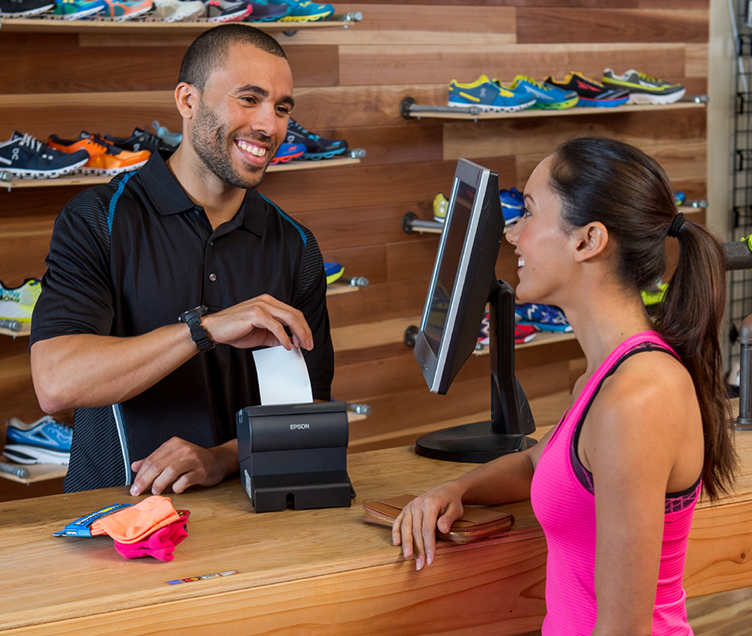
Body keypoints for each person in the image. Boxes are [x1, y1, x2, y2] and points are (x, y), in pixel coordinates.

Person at [393, 137, 737, 635]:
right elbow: (541, 462)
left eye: (528, 214)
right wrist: (457, 488)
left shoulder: (637, 398)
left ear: (587, 240)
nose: (512, 235)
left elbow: (624, 631)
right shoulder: (601, 380)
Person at [29, 25, 334, 496]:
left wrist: (220, 459)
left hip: (246, 519)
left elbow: (307, 416)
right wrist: (205, 329)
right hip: (116, 514)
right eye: (249, 99)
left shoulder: (295, 244)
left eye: (282, 107)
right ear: (188, 101)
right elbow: (56, 384)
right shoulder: (98, 219)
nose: (269, 126)